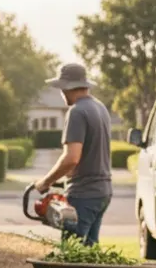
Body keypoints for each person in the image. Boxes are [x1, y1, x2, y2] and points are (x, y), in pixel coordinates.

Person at [34, 63, 114, 246]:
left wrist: (45, 182)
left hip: (84, 194)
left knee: (71, 252)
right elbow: (89, 154)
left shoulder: (77, 112)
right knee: (89, 249)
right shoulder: (100, 108)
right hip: (103, 191)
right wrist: (62, 178)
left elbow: (72, 158)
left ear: (66, 88)